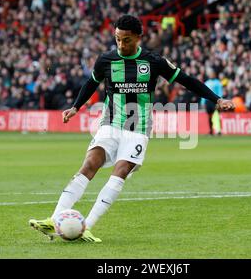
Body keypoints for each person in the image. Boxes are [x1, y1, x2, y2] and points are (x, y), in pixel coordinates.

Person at [29, 15, 235, 242]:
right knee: (89, 164)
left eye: (126, 40)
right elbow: (91, 83)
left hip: (139, 129)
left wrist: (217, 99)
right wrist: (76, 106)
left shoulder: (154, 61)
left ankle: (86, 226)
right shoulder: (106, 60)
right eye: (117, 39)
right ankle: (54, 218)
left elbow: (187, 80)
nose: (121, 44)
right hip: (110, 124)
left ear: (138, 38)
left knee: (121, 171)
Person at [201, 69, 223, 135]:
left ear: (214, 75)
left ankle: (218, 130)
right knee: (209, 116)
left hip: (215, 101)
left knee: (216, 115)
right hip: (208, 101)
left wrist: (220, 101)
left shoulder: (218, 83)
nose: (211, 75)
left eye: (212, 74)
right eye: (210, 74)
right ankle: (210, 130)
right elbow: (203, 92)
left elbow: (220, 92)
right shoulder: (207, 82)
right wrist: (203, 102)